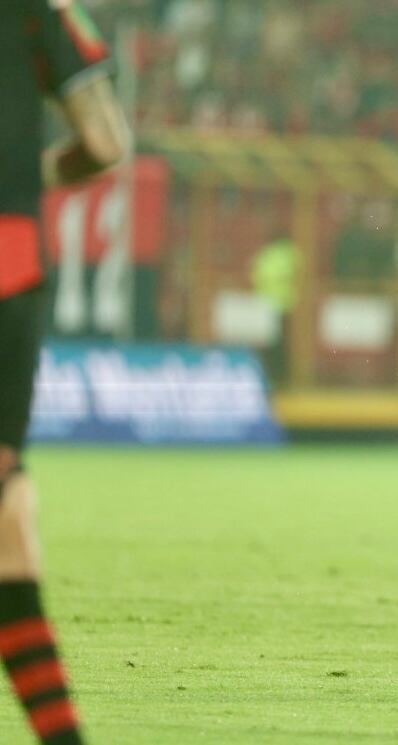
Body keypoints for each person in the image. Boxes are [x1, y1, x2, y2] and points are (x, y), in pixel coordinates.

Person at [0, 2, 129, 742]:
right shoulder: (42, 11)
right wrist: (27, 172)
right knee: (8, 515)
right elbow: (105, 142)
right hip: (8, 263)